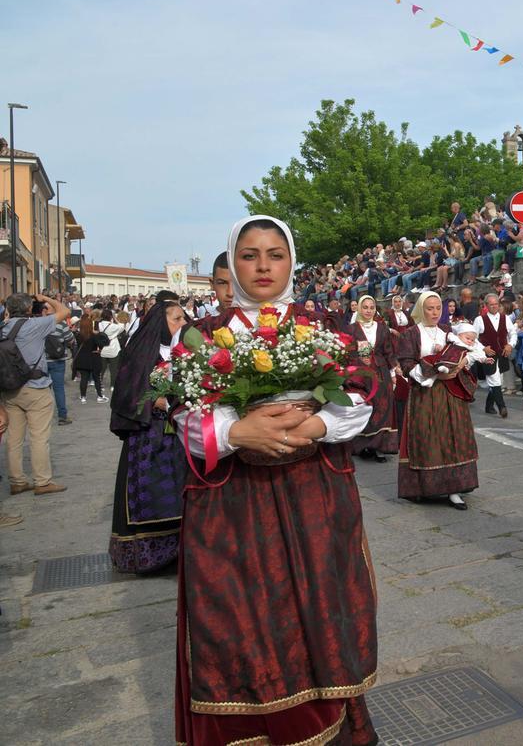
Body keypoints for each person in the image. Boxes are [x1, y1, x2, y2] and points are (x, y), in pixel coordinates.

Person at [172, 216, 377, 744]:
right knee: (241, 621)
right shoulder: (202, 339)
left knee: (319, 613)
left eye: (275, 254)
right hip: (236, 506)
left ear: (291, 262)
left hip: (314, 497)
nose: (262, 266)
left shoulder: (324, 329)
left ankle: (329, 724)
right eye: (249, 255)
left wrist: (315, 422)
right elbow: (184, 416)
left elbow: (359, 396)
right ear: (232, 263)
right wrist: (239, 432)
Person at [107, 298, 187, 573]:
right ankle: (150, 555)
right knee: (151, 493)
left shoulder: (185, 350)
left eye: (183, 318)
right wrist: (155, 401)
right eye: (176, 319)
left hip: (180, 433)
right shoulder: (142, 351)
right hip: (149, 437)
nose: (183, 324)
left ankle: (184, 551)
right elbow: (127, 392)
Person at [396, 290, 480, 509]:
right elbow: (406, 366)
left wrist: (461, 365)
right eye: (430, 308)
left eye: (437, 308)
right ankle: (425, 487)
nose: (434, 313)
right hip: (425, 394)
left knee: (454, 437)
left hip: (450, 393)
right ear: (421, 309)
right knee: (429, 438)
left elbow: (462, 353)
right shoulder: (411, 333)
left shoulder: (447, 330)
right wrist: (433, 373)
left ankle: (454, 489)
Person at [2, 292, 72, 497]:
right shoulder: (34, 325)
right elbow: (65, 312)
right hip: (36, 386)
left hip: (10, 388)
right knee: (39, 437)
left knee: (13, 439)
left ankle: (17, 481)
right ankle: (42, 481)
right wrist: (46, 299)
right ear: (28, 308)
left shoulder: (3, 328)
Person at [346, 294, 400, 460]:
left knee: (382, 406)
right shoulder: (352, 328)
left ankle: (378, 445)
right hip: (361, 374)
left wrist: (393, 372)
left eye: (371, 307)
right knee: (365, 407)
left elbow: (388, 351)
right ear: (359, 309)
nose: (368, 311)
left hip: (381, 372)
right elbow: (347, 351)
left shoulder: (382, 327)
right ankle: (362, 445)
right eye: (365, 307)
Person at [477, 293, 516, 418]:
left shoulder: (505, 318)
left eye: (496, 304)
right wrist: (483, 348)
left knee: (499, 380)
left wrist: (510, 345)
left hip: (503, 354)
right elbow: (473, 338)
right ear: (486, 306)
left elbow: (513, 333)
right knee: (494, 380)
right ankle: (502, 407)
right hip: (489, 355)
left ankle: (489, 406)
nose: (494, 307)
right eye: (491, 304)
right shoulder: (480, 320)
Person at [45, 313, 75, 425]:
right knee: (59, 389)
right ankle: (62, 416)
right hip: (58, 359)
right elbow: (70, 339)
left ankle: (43, 415)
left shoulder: (37, 323)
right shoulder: (61, 324)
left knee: (43, 389)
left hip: (42, 361)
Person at [72, 312, 108, 404]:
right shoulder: (93, 335)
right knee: (96, 378)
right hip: (93, 357)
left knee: (84, 378)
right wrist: (99, 334)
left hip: (82, 359)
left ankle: (83, 397)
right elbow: (102, 344)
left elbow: (73, 332)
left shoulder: (79, 335)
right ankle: (99, 396)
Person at [98, 310, 128, 391]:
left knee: (101, 368)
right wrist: (115, 318)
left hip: (102, 348)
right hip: (113, 348)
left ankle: (99, 385)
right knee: (113, 369)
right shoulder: (114, 326)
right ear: (110, 317)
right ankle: (112, 385)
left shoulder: (99, 325)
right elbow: (122, 326)